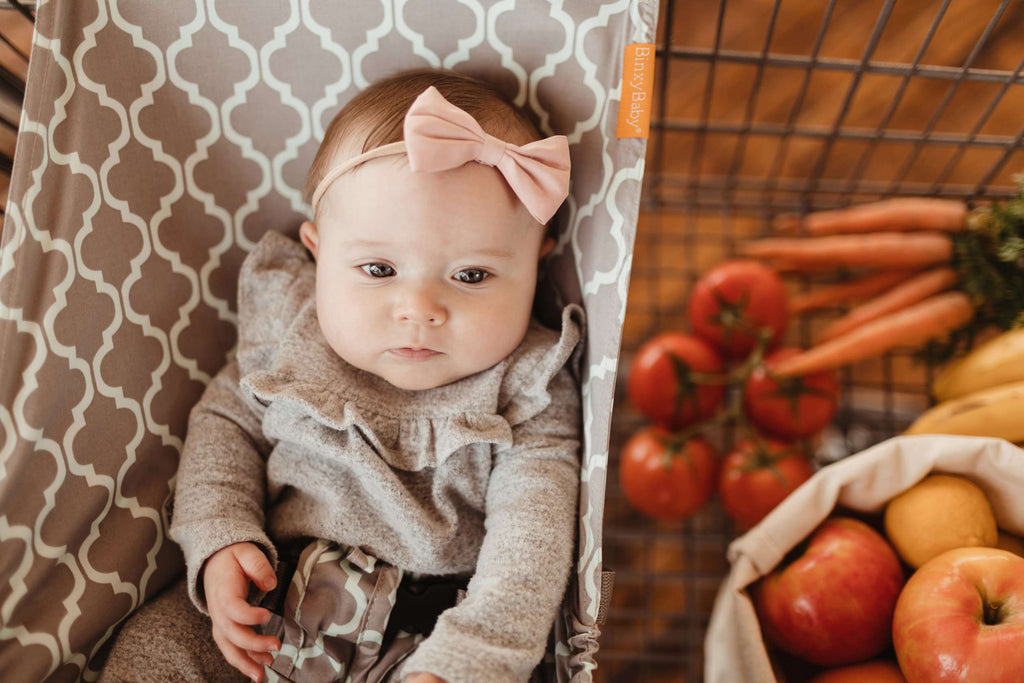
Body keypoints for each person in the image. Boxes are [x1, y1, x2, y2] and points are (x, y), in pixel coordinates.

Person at [100, 68, 583, 683]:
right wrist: (219, 540)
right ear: (318, 252)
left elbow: (531, 549)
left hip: (428, 635)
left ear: (535, 267)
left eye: (470, 276)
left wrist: (467, 661)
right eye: (379, 269)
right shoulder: (287, 334)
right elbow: (224, 430)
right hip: (271, 606)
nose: (419, 309)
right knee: (159, 648)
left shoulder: (530, 387)